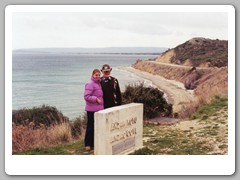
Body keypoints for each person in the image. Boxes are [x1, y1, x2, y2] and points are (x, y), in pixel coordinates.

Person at [84, 69, 104, 150]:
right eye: (96, 75)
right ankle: (88, 144)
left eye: (99, 75)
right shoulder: (90, 84)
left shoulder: (98, 83)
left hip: (99, 109)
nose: (98, 76)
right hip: (91, 110)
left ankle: (93, 143)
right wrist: (96, 99)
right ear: (92, 75)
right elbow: (86, 96)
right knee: (90, 127)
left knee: (97, 127)